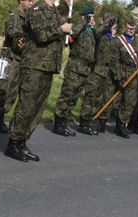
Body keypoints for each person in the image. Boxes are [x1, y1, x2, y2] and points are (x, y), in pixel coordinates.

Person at [4, 0, 72, 161]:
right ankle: (13, 143)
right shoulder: (37, 8)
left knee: (38, 107)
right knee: (27, 105)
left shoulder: (55, 10)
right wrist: (61, 29)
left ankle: (22, 141)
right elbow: (41, 35)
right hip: (34, 64)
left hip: (47, 66)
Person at [52, 6, 98, 138]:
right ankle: (58, 123)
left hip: (84, 69)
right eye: (90, 17)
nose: (92, 19)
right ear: (84, 17)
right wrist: (83, 21)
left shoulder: (90, 31)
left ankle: (64, 121)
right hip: (75, 68)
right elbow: (73, 34)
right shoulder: (79, 27)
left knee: (73, 98)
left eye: (93, 17)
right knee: (67, 95)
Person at [0, 0, 31, 133]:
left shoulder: (27, 18)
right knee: (3, 89)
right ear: (21, 1)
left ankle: (1, 116)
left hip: (19, 60)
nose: (31, 4)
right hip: (9, 58)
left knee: (13, 91)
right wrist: (25, 33)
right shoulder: (14, 16)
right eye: (29, 1)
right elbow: (11, 32)